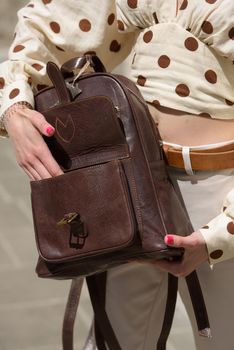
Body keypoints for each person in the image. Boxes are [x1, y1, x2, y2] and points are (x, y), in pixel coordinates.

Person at [0, 0, 233, 349]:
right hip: (130, 180)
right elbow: (52, 19)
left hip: (220, 194)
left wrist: (221, 234)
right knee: (114, 341)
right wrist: (14, 107)